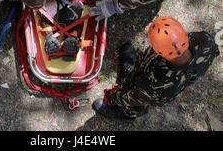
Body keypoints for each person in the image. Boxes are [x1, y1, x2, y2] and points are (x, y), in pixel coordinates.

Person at [92, 16, 220, 120]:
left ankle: (127, 114)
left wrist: (112, 97)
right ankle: (131, 65)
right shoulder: (206, 41)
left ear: (158, 52)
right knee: (140, 81)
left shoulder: (156, 83)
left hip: (156, 92)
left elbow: (132, 97)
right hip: (183, 77)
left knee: (135, 96)